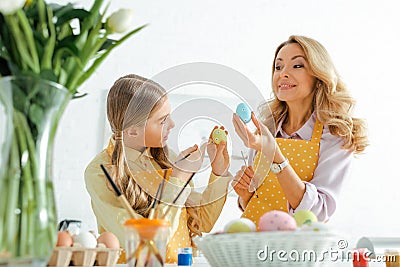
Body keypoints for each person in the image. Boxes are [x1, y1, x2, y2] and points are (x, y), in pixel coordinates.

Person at [84, 74, 230, 263]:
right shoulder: (100, 172)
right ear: (133, 130)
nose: (172, 125)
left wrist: (218, 172)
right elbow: (145, 243)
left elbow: (202, 222)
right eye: (162, 121)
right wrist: (178, 179)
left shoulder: (165, 161)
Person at [232, 35, 368, 226]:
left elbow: (319, 212)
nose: (283, 74)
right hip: (252, 243)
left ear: (318, 76)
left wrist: (276, 156)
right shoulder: (268, 128)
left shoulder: (336, 134)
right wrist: (245, 195)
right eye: (278, 67)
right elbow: (256, 203)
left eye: (297, 66)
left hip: (298, 250)